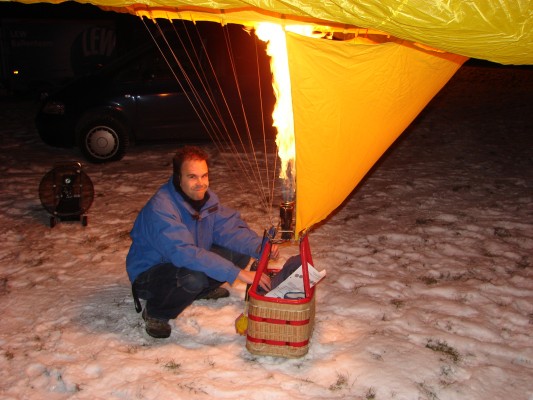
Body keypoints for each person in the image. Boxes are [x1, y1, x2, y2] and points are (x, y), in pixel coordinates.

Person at [126, 145, 277, 338]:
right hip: (150, 274)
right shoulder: (161, 208)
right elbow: (184, 253)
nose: (201, 183)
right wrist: (238, 273)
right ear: (178, 178)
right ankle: (156, 312)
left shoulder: (207, 200)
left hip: (188, 261)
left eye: (204, 176)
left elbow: (228, 228)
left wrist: (259, 247)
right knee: (193, 277)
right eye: (192, 177)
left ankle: (199, 291)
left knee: (239, 254)